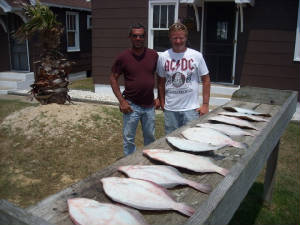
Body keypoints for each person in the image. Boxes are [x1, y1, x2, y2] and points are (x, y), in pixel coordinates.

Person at [110, 23, 159, 156]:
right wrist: (122, 101)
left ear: (145, 37)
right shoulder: (123, 57)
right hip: (131, 106)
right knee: (129, 139)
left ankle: (149, 162)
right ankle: (129, 165)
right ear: (130, 37)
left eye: (141, 36)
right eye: (135, 36)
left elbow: (161, 77)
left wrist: (159, 97)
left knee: (150, 137)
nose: (138, 39)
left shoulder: (153, 55)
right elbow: (113, 78)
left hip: (149, 106)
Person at [157, 22, 211, 134]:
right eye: (174, 38)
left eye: (181, 38)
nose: (178, 41)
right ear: (170, 38)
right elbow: (160, 82)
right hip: (171, 109)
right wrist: (162, 102)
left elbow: (206, 80)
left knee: (191, 139)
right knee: (171, 140)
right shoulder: (163, 57)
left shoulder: (196, 56)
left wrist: (205, 105)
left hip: (191, 110)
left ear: (186, 38)